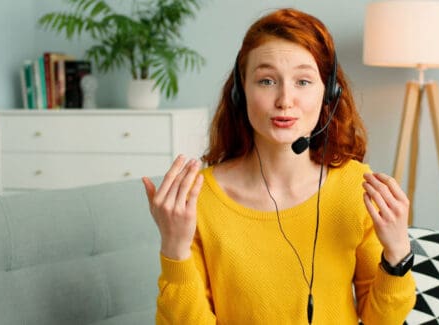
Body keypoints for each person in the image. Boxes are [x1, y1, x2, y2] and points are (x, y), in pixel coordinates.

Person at [142, 8, 416, 324]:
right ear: (239, 91)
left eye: (303, 81)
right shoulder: (197, 198)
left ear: (328, 92)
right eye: (267, 80)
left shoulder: (356, 187)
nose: (285, 99)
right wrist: (174, 249)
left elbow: (381, 320)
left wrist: (398, 254)